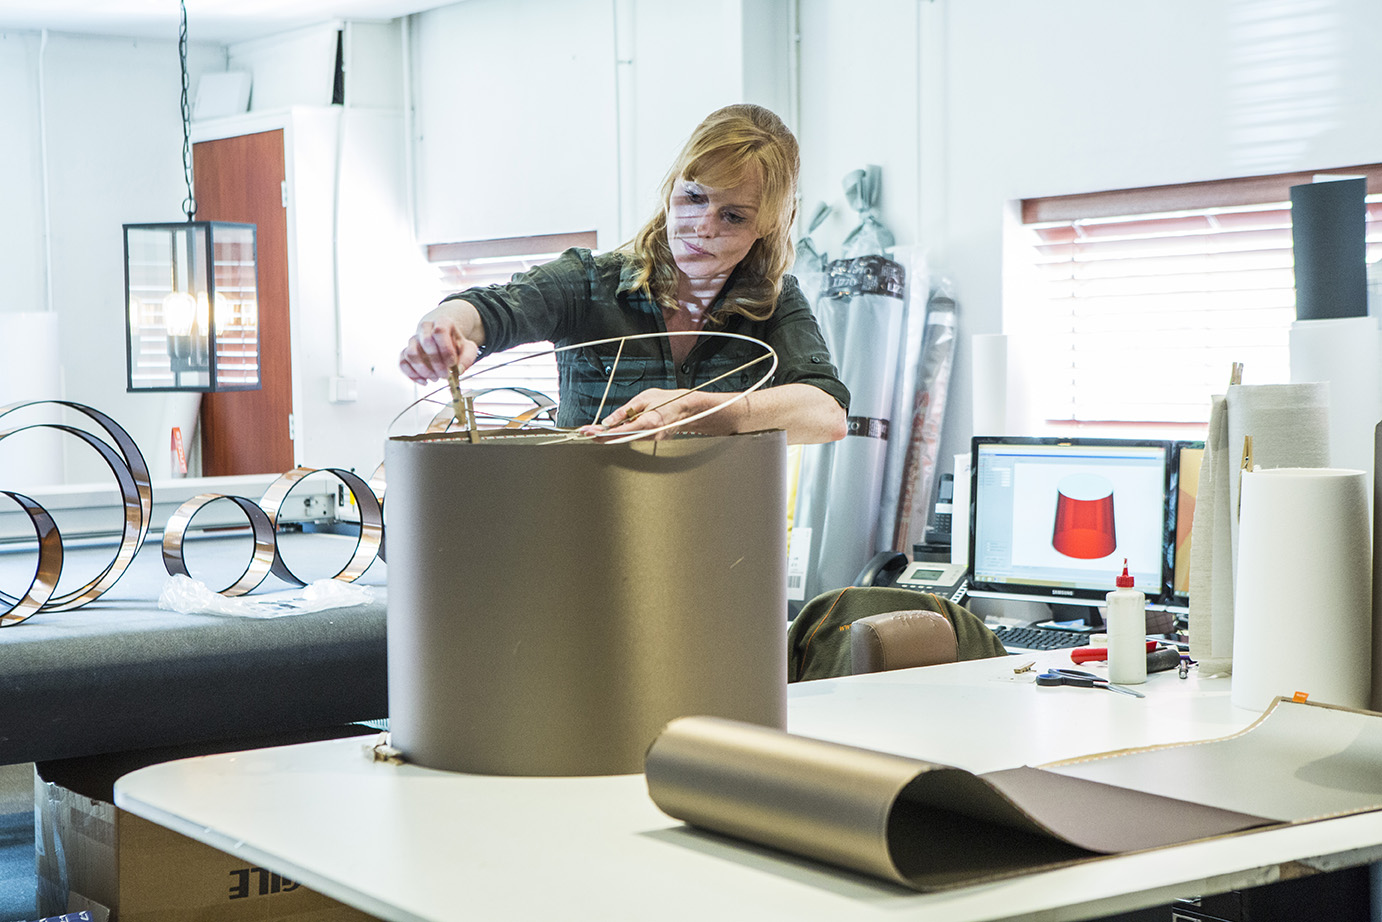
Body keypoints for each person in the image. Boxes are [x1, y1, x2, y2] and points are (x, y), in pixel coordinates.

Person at [398, 104, 848, 444]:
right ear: (673, 186)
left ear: (766, 225)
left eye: (732, 216)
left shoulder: (773, 300)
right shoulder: (590, 283)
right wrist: (444, 329)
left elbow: (827, 414)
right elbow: (492, 310)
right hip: (590, 539)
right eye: (693, 197)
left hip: (720, 544)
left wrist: (693, 409)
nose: (702, 227)